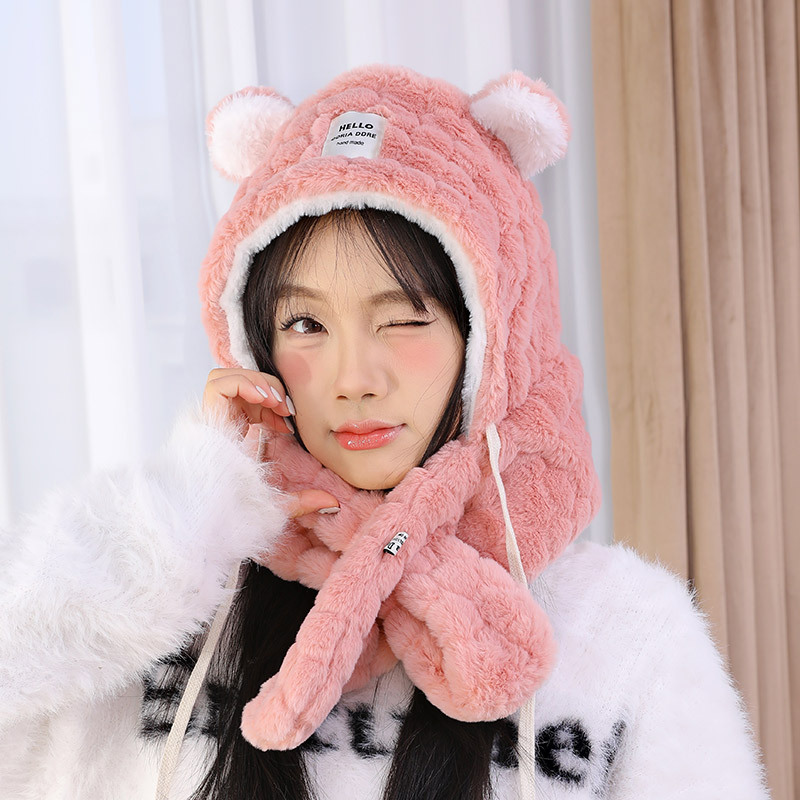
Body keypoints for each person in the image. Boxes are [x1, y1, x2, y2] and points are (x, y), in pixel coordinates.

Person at [0, 65, 770, 800]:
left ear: (493, 335)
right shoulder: (171, 596)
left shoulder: (628, 629)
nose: (354, 378)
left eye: (403, 318)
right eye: (305, 324)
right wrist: (182, 504)